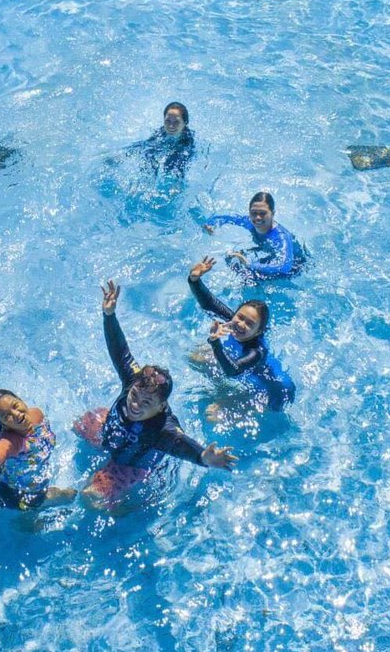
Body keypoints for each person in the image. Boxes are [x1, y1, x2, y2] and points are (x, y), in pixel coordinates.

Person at [73, 281, 237, 508]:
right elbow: (120, 350)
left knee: (91, 498)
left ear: (161, 406)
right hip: (108, 436)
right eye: (135, 396)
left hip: (129, 465)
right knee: (79, 423)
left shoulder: (162, 430)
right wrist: (109, 315)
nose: (136, 405)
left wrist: (203, 457)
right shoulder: (133, 382)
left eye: (147, 402)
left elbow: (182, 445)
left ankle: (123, 509)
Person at [188, 257, 295, 412]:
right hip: (242, 375)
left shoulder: (256, 351)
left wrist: (215, 341)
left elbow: (233, 370)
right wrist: (194, 279)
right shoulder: (234, 321)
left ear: (258, 332)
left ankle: (226, 397)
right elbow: (209, 303)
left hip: (271, 392)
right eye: (240, 317)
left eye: (250, 324)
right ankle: (222, 392)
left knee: (212, 413)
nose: (241, 324)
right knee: (195, 356)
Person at [0, 390, 77, 510]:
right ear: (4, 424)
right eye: (7, 416)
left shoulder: (36, 415)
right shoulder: (12, 440)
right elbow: (0, 451)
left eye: (15, 406)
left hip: (13, 475)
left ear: (21, 400)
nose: (17, 414)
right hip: (18, 493)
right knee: (32, 519)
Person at [203, 192, 306, 280]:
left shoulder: (280, 237)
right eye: (254, 213)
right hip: (272, 254)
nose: (257, 217)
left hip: (294, 266)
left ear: (273, 213)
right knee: (231, 258)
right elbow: (225, 218)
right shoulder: (249, 222)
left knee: (246, 274)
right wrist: (211, 225)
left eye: (263, 213)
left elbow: (284, 266)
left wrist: (249, 264)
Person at [132, 102, 196, 179]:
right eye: (168, 121)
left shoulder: (188, 140)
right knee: (148, 155)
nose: (171, 126)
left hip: (180, 150)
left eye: (176, 122)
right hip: (165, 145)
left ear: (185, 123)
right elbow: (145, 144)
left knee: (171, 165)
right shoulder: (161, 132)